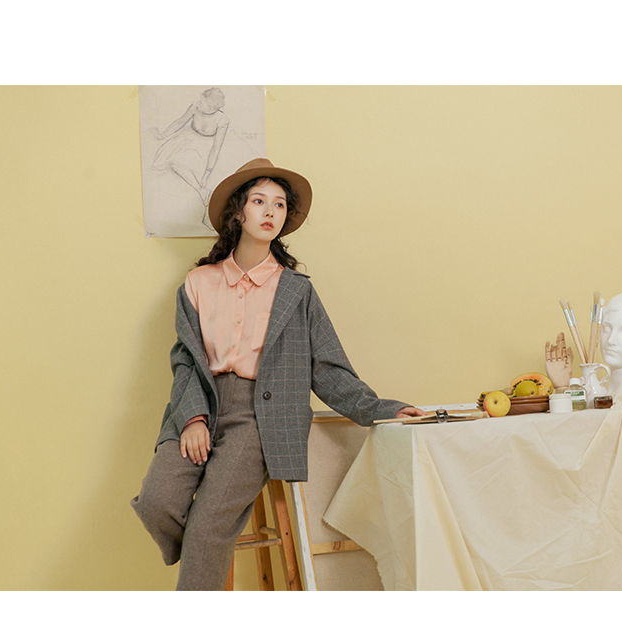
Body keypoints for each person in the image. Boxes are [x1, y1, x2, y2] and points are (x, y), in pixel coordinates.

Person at [131, 158, 425, 590]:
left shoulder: (296, 290)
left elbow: (328, 368)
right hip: (201, 406)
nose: (270, 211)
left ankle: (202, 560)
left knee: (209, 527)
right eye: (258, 201)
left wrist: (384, 409)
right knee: (157, 503)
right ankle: (203, 546)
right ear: (238, 212)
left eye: (280, 204)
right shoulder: (198, 282)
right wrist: (192, 418)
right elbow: (186, 360)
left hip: (261, 419)